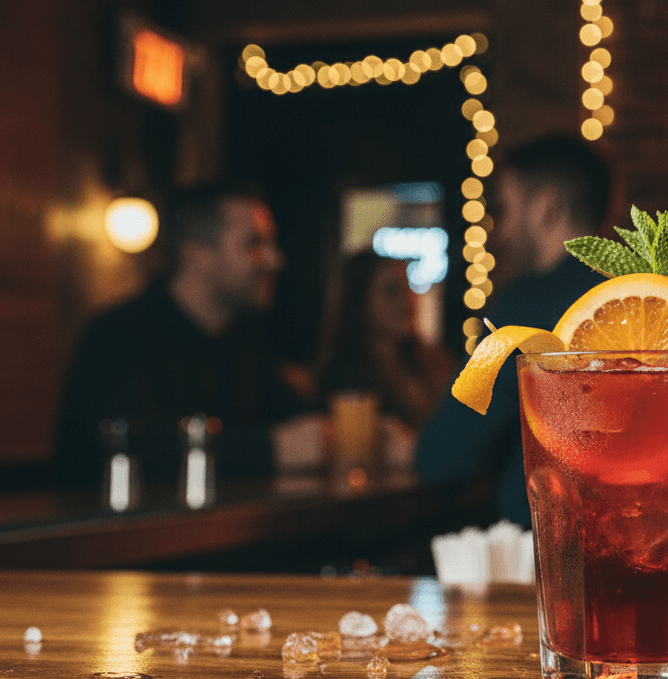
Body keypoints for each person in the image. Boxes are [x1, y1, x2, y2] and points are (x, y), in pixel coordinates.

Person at [53, 184, 327, 487]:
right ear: (197, 255)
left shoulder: (244, 339)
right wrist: (272, 449)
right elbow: (142, 451)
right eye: (254, 244)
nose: (275, 260)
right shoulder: (116, 335)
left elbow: (295, 416)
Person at [415, 135, 611, 526]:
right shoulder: (642, 298)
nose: (500, 233)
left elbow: (440, 457)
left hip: (546, 552)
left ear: (546, 208)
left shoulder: (528, 303)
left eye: (504, 211)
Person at [314, 251, 453, 429]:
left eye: (408, 288)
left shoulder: (435, 362)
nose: (407, 302)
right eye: (392, 291)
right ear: (360, 302)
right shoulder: (345, 376)